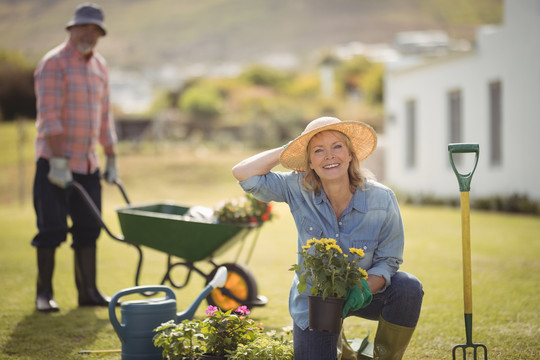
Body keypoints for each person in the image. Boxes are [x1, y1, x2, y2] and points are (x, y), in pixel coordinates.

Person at [232, 117, 424, 359]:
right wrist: (287, 149)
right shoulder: (296, 188)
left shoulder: (382, 199)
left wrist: (363, 287)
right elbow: (243, 173)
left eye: (337, 147)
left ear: (351, 154)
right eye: (318, 150)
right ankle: (343, 351)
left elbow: (389, 259)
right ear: (309, 162)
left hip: (365, 293)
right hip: (316, 302)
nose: (329, 156)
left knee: (408, 287)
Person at [32, 3, 118, 312]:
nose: (89, 34)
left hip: (88, 165)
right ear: (72, 28)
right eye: (84, 27)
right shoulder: (53, 64)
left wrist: (111, 158)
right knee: (51, 228)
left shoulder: (100, 67)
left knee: (88, 229)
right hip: (53, 165)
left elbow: (104, 117)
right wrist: (57, 162)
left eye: (95, 30)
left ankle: (88, 292)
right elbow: (50, 118)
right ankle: (44, 294)